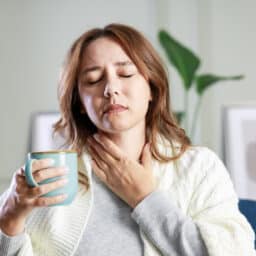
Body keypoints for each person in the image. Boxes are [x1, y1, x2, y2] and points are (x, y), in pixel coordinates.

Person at [0, 23, 255, 256]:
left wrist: (146, 199)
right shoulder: (53, 177)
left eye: (125, 74)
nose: (110, 88)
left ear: (152, 87)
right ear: (79, 103)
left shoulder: (199, 167)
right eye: (93, 79)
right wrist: (10, 220)